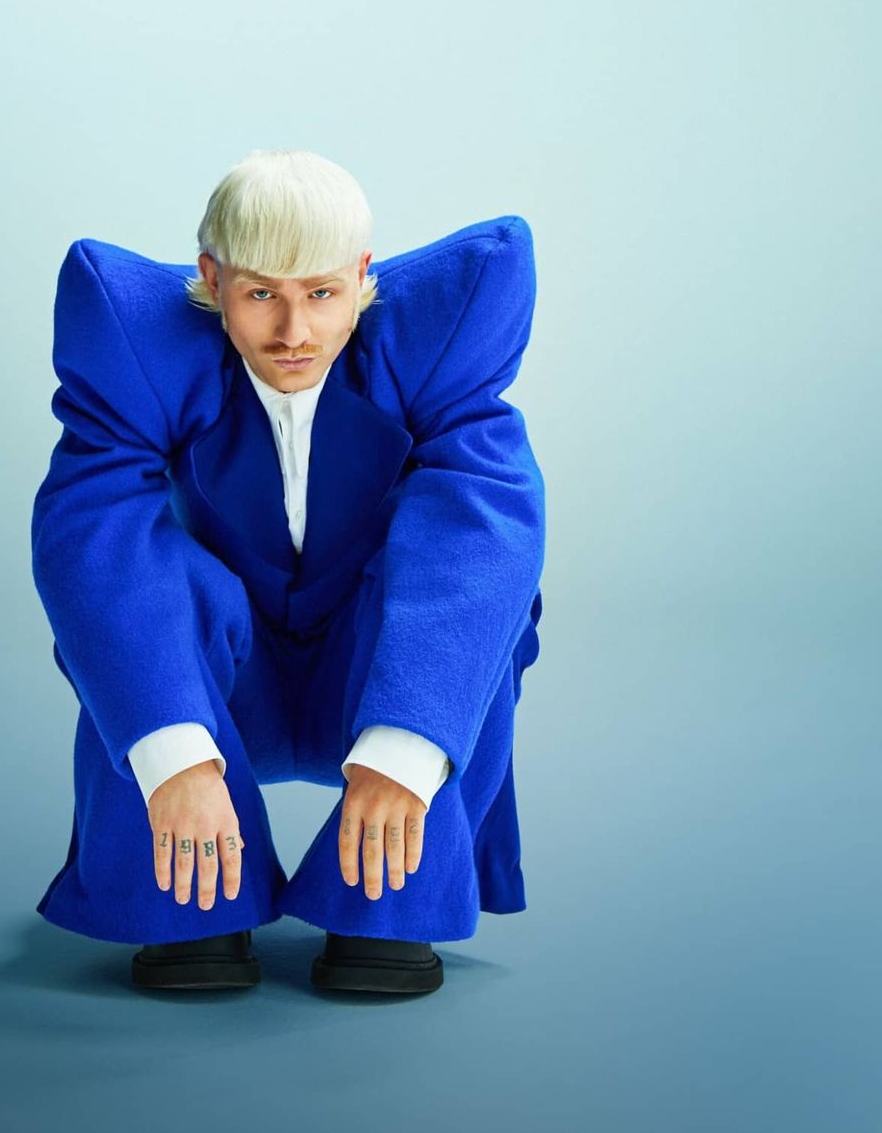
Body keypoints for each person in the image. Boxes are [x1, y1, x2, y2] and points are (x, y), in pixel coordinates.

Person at [30, 149, 545, 994]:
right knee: (144, 597)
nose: (294, 332)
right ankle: (188, 908)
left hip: (368, 662)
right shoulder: (138, 346)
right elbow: (94, 534)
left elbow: (482, 528)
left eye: (323, 294)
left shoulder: (436, 344)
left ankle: (387, 909)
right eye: (262, 294)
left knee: (483, 602)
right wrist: (171, 750)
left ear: (364, 276)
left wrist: (408, 746)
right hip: (229, 676)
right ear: (212, 280)